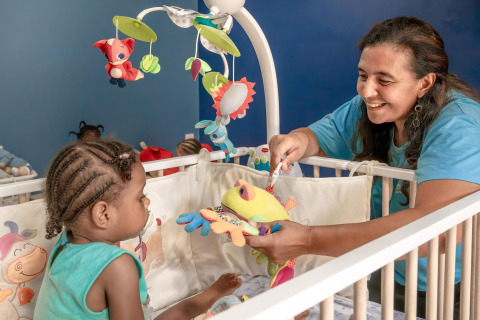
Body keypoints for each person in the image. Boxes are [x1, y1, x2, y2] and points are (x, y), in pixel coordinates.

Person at [244, 16, 480, 319]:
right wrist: (297, 141)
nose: (367, 91)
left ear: (425, 83)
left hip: (454, 282)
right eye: (362, 75)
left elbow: (434, 232)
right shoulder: (369, 110)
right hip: (387, 263)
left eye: (384, 80)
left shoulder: (459, 125)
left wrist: (308, 239)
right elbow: (316, 137)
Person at [34, 140, 242, 320]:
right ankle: (203, 300)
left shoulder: (66, 244)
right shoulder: (117, 266)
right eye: (140, 196)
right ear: (104, 215)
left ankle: (202, 298)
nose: (147, 201)